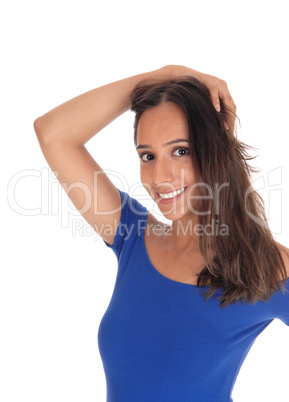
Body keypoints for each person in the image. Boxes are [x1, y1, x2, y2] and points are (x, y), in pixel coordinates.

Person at [34, 65, 289, 402]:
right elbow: (53, 133)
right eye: (148, 156)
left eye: (180, 151)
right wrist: (164, 74)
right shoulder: (132, 235)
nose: (159, 176)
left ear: (215, 149)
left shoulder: (268, 267)